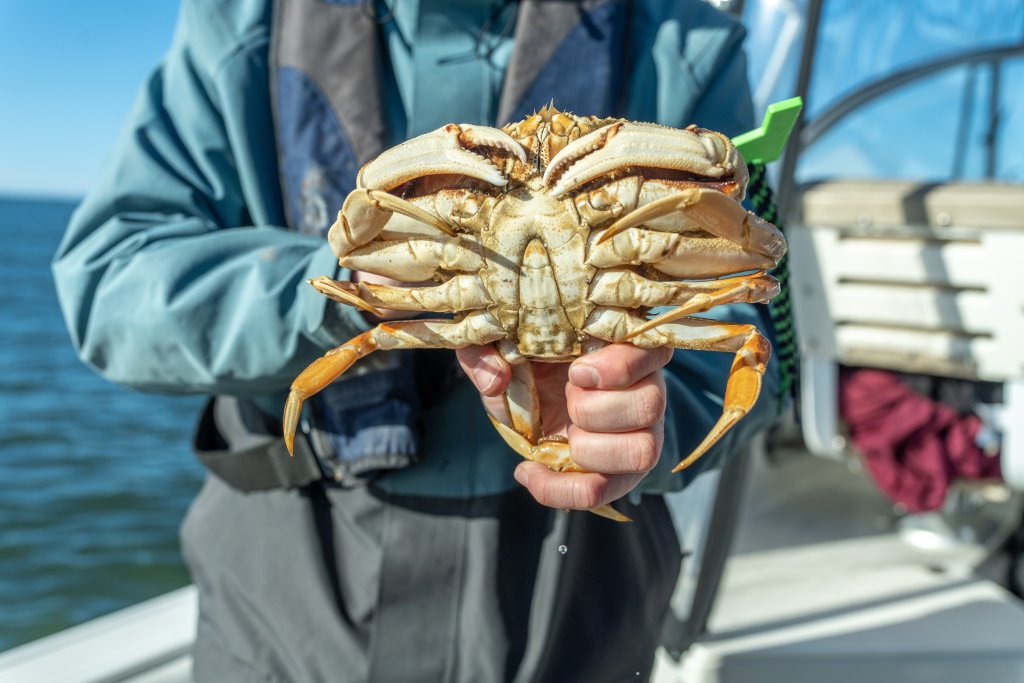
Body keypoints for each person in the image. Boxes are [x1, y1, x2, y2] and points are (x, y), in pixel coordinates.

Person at [52, 0, 780, 680]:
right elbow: (108, 279)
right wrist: (365, 277)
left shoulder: (686, 43)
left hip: (579, 583)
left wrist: (647, 410)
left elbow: (758, 308)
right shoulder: (244, 24)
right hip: (290, 582)